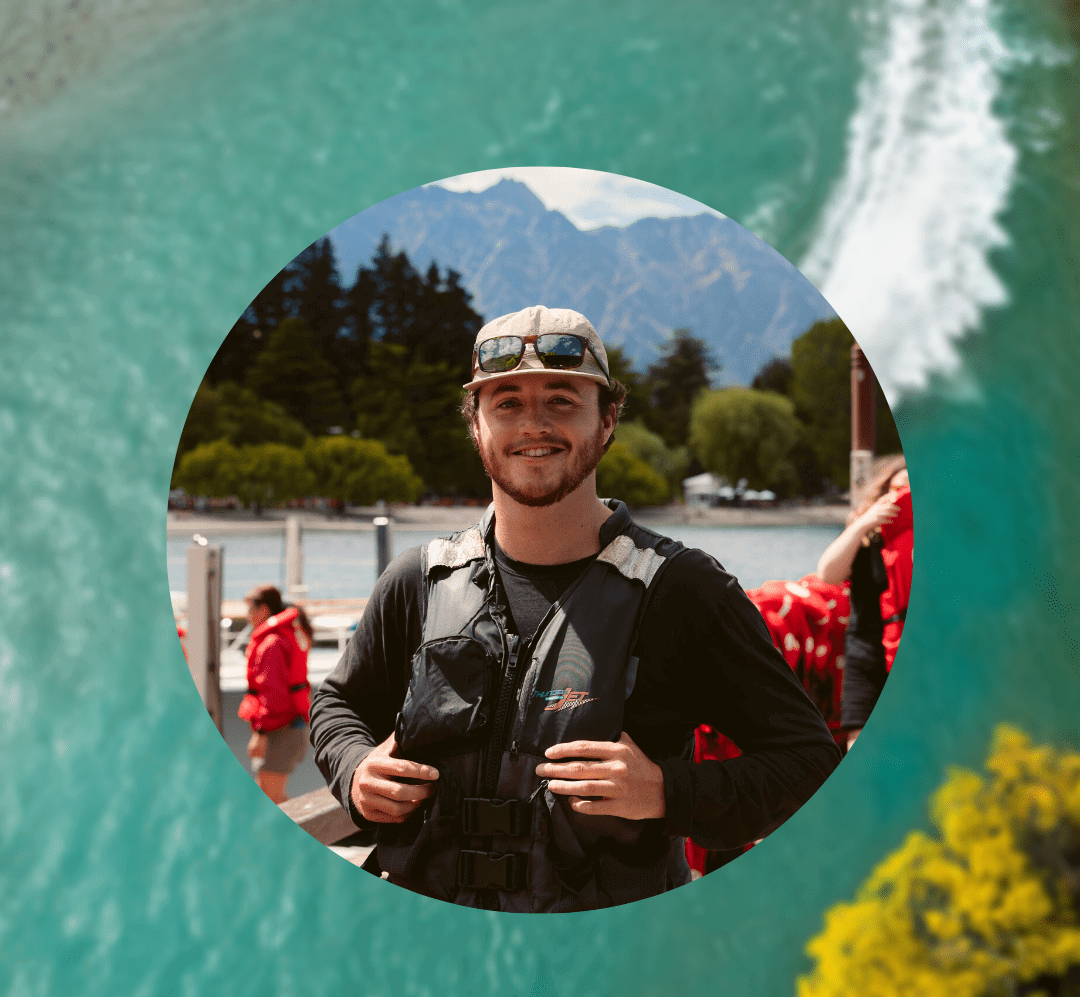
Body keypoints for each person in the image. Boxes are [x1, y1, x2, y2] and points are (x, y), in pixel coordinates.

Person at [310, 305, 842, 911]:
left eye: (562, 400)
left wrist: (669, 791)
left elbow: (810, 765)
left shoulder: (684, 590)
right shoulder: (419, 580)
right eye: (506, 402)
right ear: (475, 424)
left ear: (608, 419)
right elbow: (338, 701)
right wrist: (354, 769)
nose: (533, 425)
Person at [816, 455, 910, 749]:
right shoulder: (866, 537)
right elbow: (828, 574)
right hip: (867, 651)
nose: (902, 497)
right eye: (896, 490)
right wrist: (862, 525)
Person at [238, 584, 313, 804]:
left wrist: (259, 734)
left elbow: (274, 697)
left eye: (250, 609)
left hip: (280, 729)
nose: (247, 615)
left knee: (269, 798)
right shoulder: (279, 639)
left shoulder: (272, 644)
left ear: (265, 610)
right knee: (272, 797)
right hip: (285, 727)